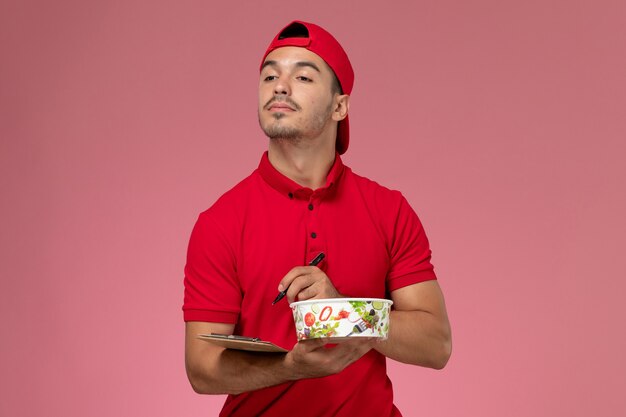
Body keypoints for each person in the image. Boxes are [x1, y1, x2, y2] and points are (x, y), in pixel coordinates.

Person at [183, 20, 452, 417]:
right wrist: (290, 367)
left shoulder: (388, 209)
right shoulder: (220, 222)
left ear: (339, 106)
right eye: (269, 75)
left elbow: (436, 343)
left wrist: (344, 312)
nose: (279, 85)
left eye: (303, 76)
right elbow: (201, 368)